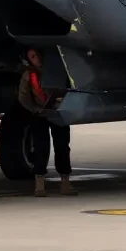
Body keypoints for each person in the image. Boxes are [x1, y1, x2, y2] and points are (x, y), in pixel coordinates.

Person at [17, 48, 76, 197]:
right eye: (32, 57)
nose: (36, 58)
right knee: (40, 148)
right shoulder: (28, 75)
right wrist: (35, 109)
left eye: (36, 55)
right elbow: (23, 97)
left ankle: (65, 182)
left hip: (58, 112)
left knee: (62, 146)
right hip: (40, 114)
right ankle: (39, 184)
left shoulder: (57, 69)